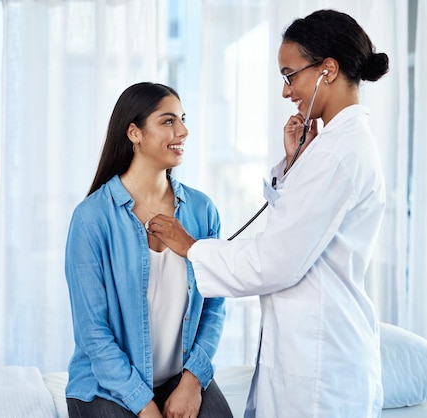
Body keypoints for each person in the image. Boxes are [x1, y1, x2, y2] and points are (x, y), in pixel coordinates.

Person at [147, 9, 390, 418]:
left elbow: (277, 259)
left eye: (289, 75)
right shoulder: (331, 148)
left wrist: (191, 247)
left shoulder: (341, 152)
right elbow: (297, 225)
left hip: (321, 363)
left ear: (327, 69)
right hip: (305, 349)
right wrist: (293, 163)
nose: (286, 91)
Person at [64, 82, 233, 418]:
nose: (183, 131)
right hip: (106, 385)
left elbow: (214, 307)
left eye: (183, 119)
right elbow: (93, 333)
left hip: (178, 377)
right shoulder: (91, 218)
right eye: (168, 121)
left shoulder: (202, 210)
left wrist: (191, 382)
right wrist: (144, 405)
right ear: (134, 133)